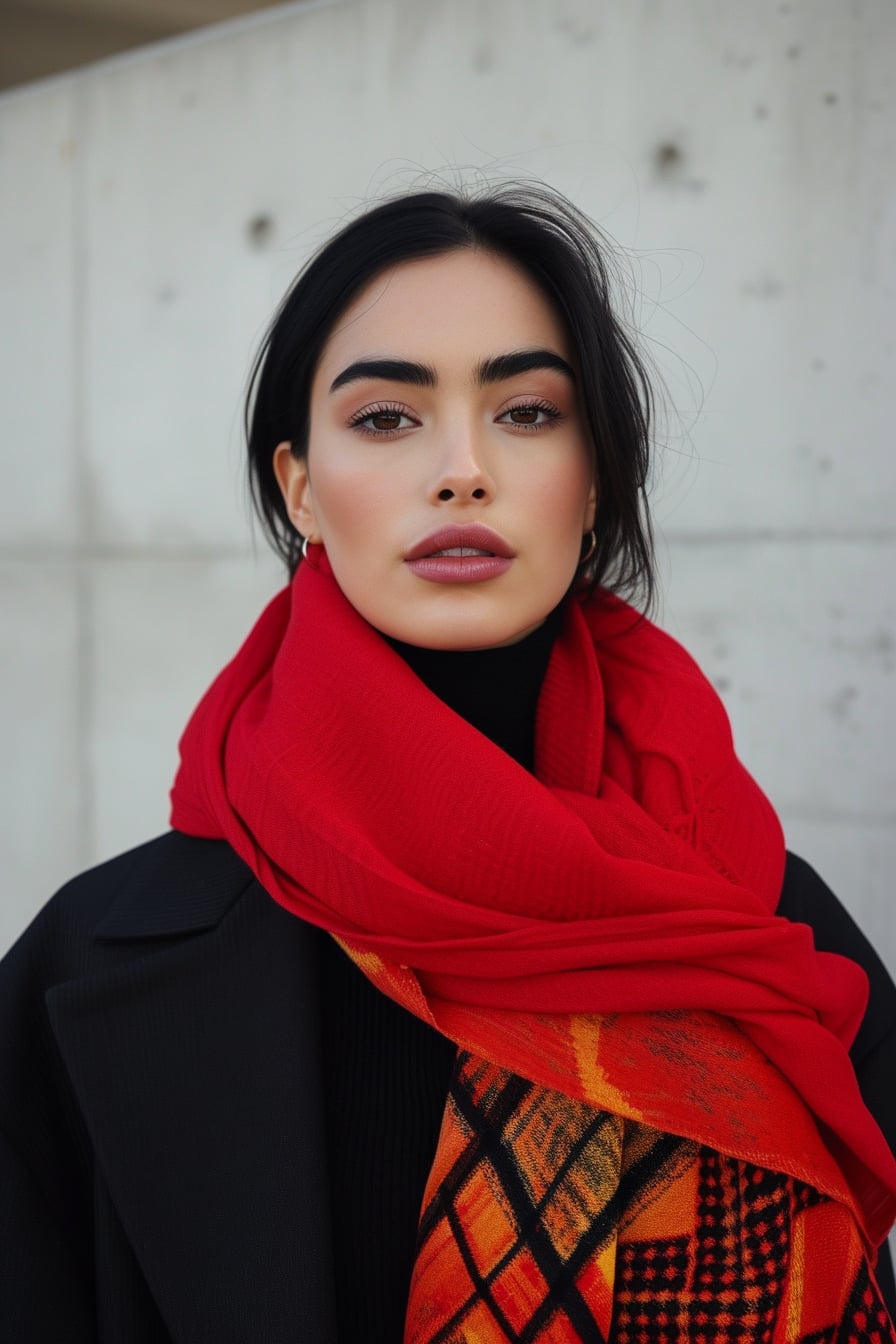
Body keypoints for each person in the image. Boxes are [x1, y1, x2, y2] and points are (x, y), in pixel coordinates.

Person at [1, 184, 895, 1343]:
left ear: (593, 485)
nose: (461, 469)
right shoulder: (90, 958)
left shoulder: (768, 933)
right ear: (299, 489)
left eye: (525, 413)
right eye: (386, 418)